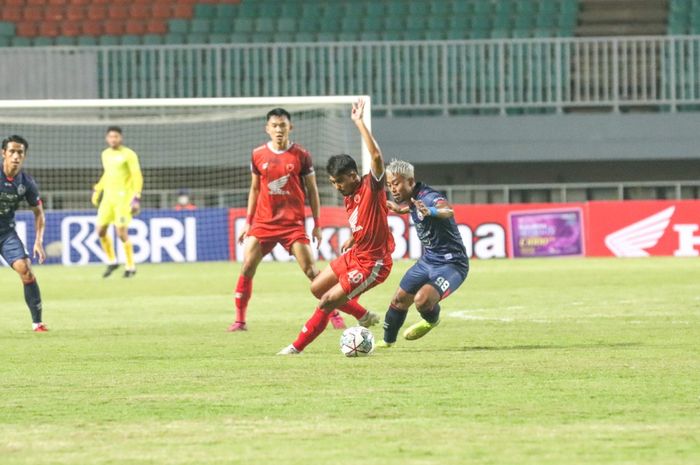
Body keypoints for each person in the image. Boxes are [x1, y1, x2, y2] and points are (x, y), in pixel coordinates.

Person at [278, 98, 392, 355]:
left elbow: (375, 156)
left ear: (353, 176)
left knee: (328, 301)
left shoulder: (370, 187)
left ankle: (296, 347)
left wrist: (359, 122)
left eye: (339, 182)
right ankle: (362, 315)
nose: (336, 187)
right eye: (332, 182)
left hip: (373, 264)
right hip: (356, 254)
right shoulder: (349, 194)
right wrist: (354, 237)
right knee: (317, 287)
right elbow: (365, 221)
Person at [229, 108, 346, 331]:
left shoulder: (301, 154)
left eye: (283, 125)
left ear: (290, 127)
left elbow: (312, 191)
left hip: (292, 225)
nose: (279, 130)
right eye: (274, 126)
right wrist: (248, 222)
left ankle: (335, 314)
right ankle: (239, 320)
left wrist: (317, 225)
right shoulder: (257, 154)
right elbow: (254, 189)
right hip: (263, 223)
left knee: (312, 272)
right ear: (267, 129)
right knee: (246, 268)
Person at [380, 159, 469, 347]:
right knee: (399, 300)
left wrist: (431, 211)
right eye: (389, 185)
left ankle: (432, 320)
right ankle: (387, 343)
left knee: (422, 300)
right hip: (427, 261)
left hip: (452, 264)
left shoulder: (429, 197)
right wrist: (402, 209)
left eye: (396, 183)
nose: (392, 189)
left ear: (410, 181)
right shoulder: (413, 199)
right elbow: (414, 208)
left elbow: (447, 210)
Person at [1, 135, 48, 332]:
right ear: (3, 153)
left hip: (5, 232)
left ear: (24, 156)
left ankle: (37, 323)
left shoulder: (26, 183)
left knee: (25, 270)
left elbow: (38, 213)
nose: (15, 156)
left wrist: (38, 241)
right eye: (11, 151)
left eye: (20, 152)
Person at [92, 126, 143, 279]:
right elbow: (107, 174)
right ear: (107, 138)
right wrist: (98, 189)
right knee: (100, 231)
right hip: (108, 199)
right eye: (111, 137)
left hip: (123, 199)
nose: (113, 139)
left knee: (121, 233)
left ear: (121, 138)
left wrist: (136, 197)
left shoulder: (129, 154)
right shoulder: (105, 154)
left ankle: (130, 266)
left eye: (116, 137)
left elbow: (137, 176)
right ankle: (112, 261)